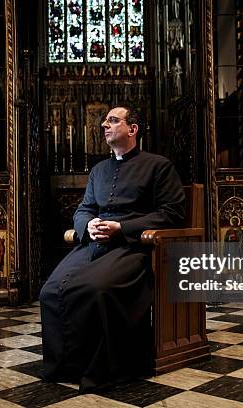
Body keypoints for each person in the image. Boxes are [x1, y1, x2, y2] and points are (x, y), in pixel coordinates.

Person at [39, 106, 185, 392]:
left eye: (113, 120)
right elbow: (84, 209)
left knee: (96, 289)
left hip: (133, 248)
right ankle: (65, 366)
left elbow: (172, 213)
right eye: (105, 121)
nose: (105, 125)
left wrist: (122, 228)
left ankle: (106, 369)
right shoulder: (98, 171)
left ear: (133, 129)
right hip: (94, 245)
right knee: (50, 291)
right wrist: (89, 224)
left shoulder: (159, 166)